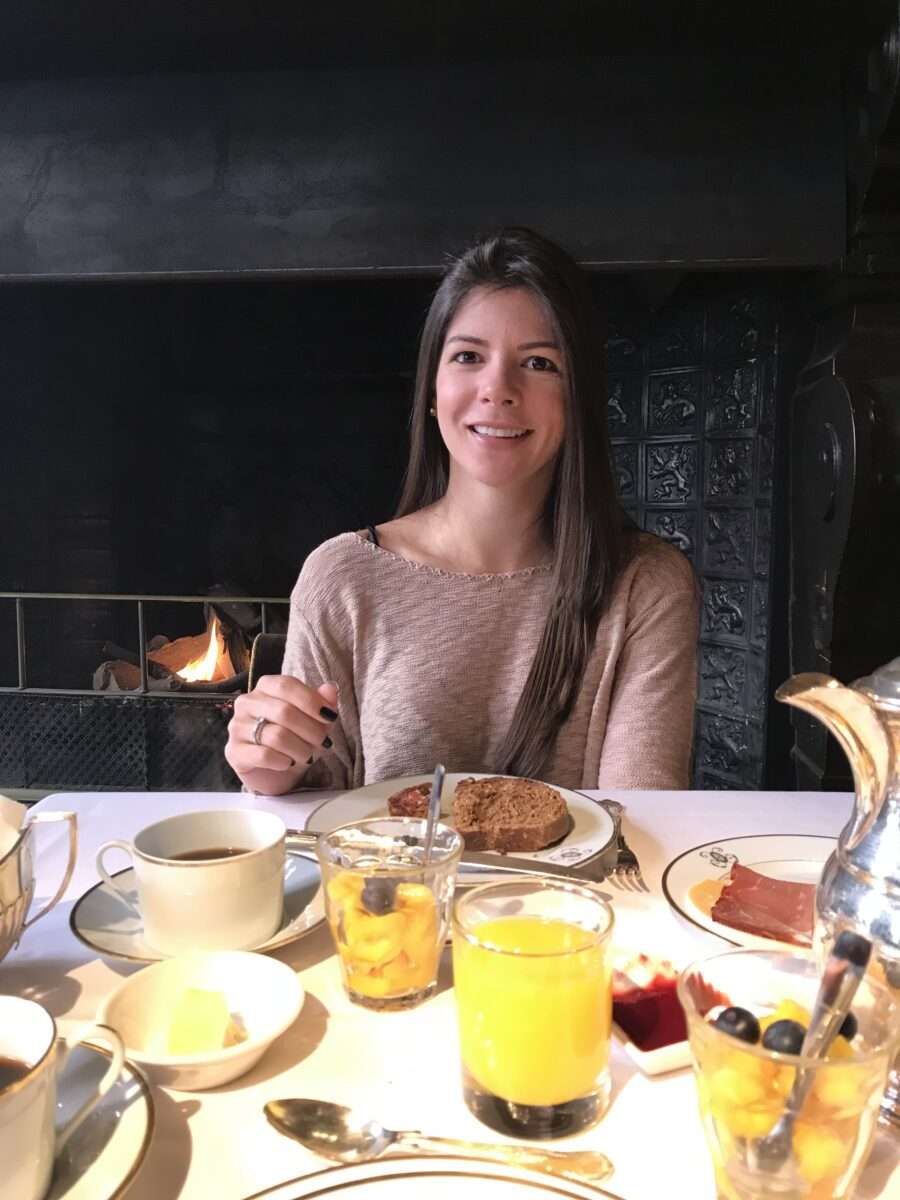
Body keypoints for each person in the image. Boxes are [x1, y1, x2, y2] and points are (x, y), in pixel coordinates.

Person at [225, 227, 699, 795]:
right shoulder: (342, 577)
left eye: (540, 363)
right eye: (469, 356)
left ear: (579, 400)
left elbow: (641, 816)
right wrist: (272, 766)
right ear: (432, 389)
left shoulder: (646, 585)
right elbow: (312, 808)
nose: (497, 389)